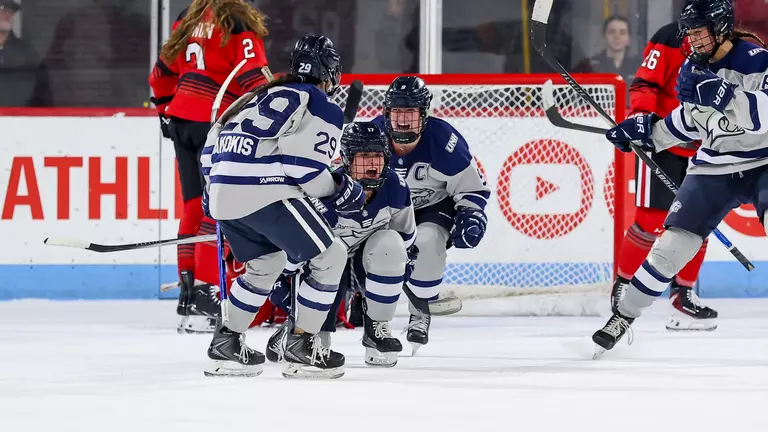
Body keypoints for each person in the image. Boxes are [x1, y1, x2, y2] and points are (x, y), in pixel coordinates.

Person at [595, 0, 768, 355]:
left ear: (720, 27)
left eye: (699, 31)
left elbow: (762, 116)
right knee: (669, 249)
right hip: (714, 165)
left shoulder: (755, 59)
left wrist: (727, 97)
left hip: (763, 159)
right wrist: (645, 132)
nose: (693, 39)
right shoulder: (692, 67)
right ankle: (623, 316)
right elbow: (688, 121)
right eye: (689, 32)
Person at [201, 34, 366, 379]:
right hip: (264, 194)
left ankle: (226, 343)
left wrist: (215, 188)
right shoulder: (320, 103)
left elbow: (209, 152)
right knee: (331, 255)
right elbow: (303, 168)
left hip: (222, 195)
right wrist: (339, 189)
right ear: (331, 72)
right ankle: (302, 346)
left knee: (266, 262)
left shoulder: (254, 95)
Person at [148, 0, 270, 333]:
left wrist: (164, 111)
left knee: (191, 204)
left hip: (181, 119)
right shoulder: (237, 20)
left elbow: (160, 76)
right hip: (215, 121)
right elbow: (252, 78)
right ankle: (205, 289)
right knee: (214, 208)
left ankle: (189, 294)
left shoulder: (188, 18)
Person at [265, 122, 418, 368]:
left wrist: (400, 268)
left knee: (390, 244)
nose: (372, 164)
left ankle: (376, 328)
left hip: (361, 265)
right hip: (321, 273)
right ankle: (296, 333)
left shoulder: (396, 188)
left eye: (377, 156)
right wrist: (282, 285)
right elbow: (294, 256)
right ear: (346, 160)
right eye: (364, 156)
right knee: (319, 341)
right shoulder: (324, 193)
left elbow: (406, 240)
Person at [367, 76, 490, 354]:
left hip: (432, 207)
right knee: (380, 253)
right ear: (387, 113)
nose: (402, 121)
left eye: (409, 113)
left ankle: (420, 311)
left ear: (423, 114)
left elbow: (472, 188)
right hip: (387, 211)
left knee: (429, 242)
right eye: (397, 112)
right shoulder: (372, 138)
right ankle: (375, 322)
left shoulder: (444, 140)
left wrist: (470, 214)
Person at [612, 18, 718, 332]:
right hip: (664, 142)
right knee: (650, 220)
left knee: (700, 224)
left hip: (708, 147)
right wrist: (643, 119)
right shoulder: (670, 36)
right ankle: (623, 288)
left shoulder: (731, 42)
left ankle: (682, 297)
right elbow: (646, 83)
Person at [574, 16, 643, 102]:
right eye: (611, 32)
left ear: (629, 39)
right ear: (604, 36)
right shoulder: (588, 65)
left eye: (622, 32)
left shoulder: (639, 67)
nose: (617, 37)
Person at [0, 0, 51, 106]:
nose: (8, 15)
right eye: (1, 9)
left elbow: (43, 94)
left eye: (11, 11)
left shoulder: (26, 52)